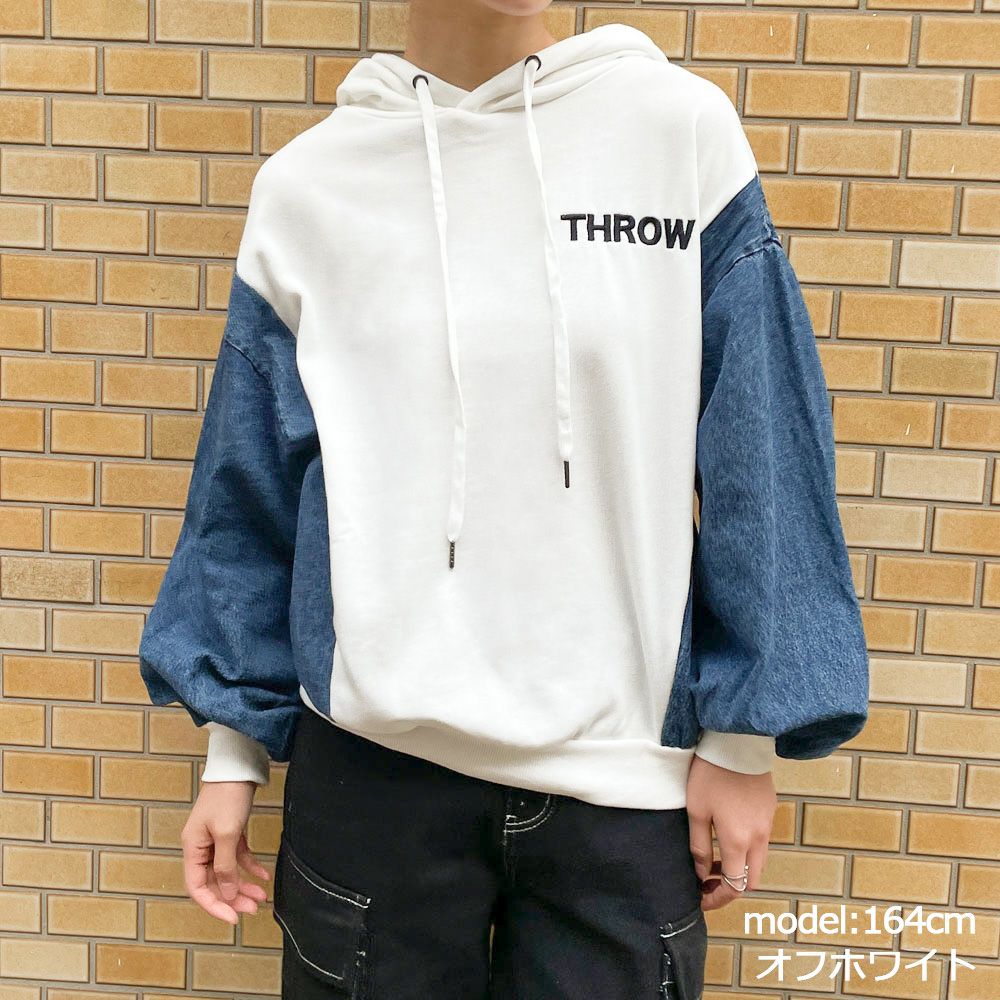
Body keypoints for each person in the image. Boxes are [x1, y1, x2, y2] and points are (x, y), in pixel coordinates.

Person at [137, 1, 870, 997]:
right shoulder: (310, 186)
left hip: (621, 788)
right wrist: (233, 752)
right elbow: (251, 481)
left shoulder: (677, 135)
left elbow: (764, 443)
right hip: (374, 776)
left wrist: (742, 744)